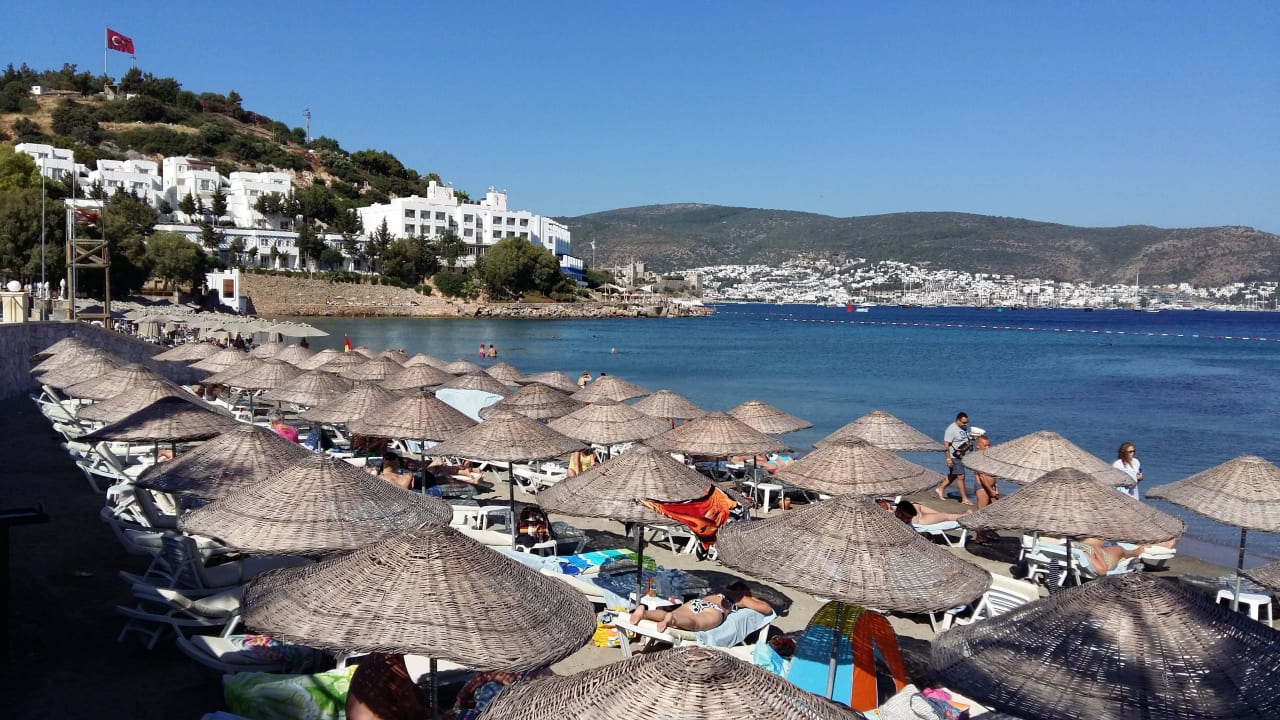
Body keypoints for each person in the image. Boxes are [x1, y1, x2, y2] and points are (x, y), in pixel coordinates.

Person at [628, 580, 773, 633]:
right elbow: (767, 609)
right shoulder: (739, 596)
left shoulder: (718, 589)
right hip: (714, 609)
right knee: (696, 623)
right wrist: (749, 598)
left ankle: (644, 613)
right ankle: (672, 620)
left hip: (696, 603)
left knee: (679, 614)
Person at [936, 412, 972, 505]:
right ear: (958, 420)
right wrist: (948, 459)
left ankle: (940, 489)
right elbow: (945, 445)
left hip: (963, 456)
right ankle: (964, 499)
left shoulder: (963, 428)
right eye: (964, 422)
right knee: (961, 476)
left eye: (967, 422)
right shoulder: (951, 429)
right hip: (954, 456)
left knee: (954, 475)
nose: (966, 424)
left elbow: (963, 439)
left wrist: (972, 438)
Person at [1074, 537, 1147, 575]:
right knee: (1119, 549)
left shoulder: (1070, 545)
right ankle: (1135, 552)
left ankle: (1134, 552)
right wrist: (1098, 552)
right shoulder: (1087, 551)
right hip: (1099, 553)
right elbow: (1102, 570)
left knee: (1117, 548)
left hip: (1085, 545)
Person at [970, 427, 999, 508]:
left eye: (989, 445)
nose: (987, 447)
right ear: (978, 446)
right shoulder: (978, 458)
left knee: (993, 511)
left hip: (991, 487)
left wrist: (995, 486)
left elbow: (992, 474)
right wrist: (990, 490)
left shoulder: (986, 457)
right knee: (981, 512)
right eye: (985, 445)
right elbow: (982, 477)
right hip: (983, 488)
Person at [892, 500, 970, 526]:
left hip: (915, 508)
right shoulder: (894, 517)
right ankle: (966, 516)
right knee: (945, 516)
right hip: (919, 517)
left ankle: (965, 515)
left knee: (943, 515)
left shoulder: (895, 514)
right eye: (908, 519)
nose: (908, 520)